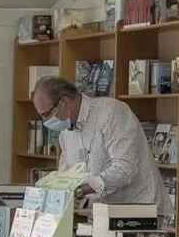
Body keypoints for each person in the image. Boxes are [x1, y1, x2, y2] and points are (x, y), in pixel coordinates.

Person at [32, 76, 170, 217]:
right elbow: (67, 172)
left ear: (64, 101)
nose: (46, 122)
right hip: (103, 214)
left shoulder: (111, 113)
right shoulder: (66, 132)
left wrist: (81, 190)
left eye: (47, 115)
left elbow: (124, 169)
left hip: (141, 213)